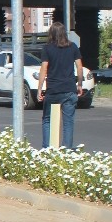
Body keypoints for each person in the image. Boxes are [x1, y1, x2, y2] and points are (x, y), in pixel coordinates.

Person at [37, 21, 84, 149]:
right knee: (68, 122)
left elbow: (44, 69)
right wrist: (79, 84)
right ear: (64, 34)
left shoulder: (47, 48)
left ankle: (47, 149)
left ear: (51, 34)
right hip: (69, 89)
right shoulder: (73, 47)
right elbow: (80, 67)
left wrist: (40, 88)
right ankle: (67, 150)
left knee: (47, 120)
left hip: (53, 90)